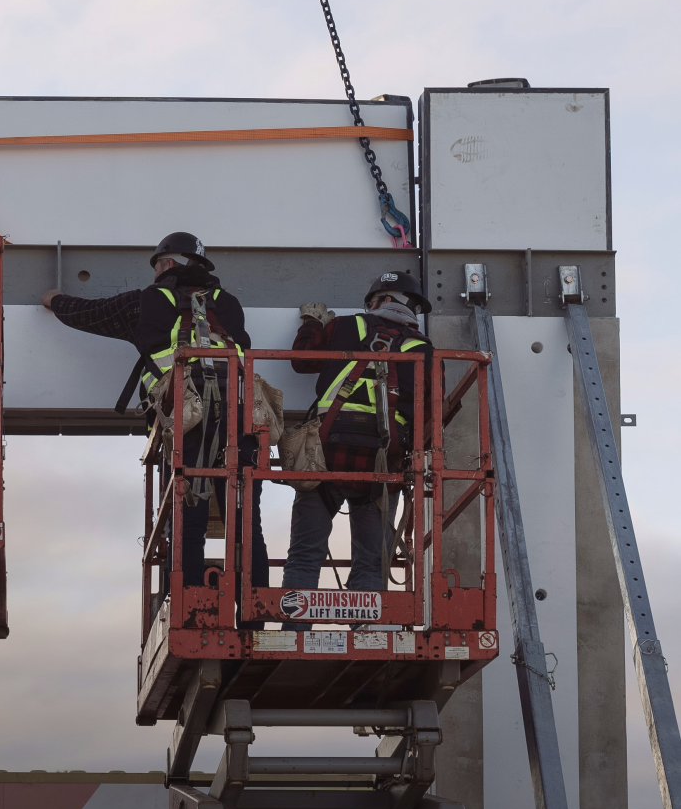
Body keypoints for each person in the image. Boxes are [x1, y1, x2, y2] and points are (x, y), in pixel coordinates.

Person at [45, 231, 268, 593]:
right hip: (238, 416)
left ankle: (188, 604)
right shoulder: (228, 303)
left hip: (185, 419)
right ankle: (256, 611)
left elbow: (89, 314)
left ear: (165, 264)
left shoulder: (146, 300)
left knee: (187, 518)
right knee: (245, 523)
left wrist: (54, 300)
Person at [282, 269, 433, 608]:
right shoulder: (423, 349)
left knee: (304, 555)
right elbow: (429, 411)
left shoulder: (345, 326)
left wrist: (312, 323)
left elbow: (301, 359)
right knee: (371, 563)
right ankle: (366, 628)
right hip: (383, 461)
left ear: (383, 300)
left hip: (326, 454)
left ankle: (295, 624)